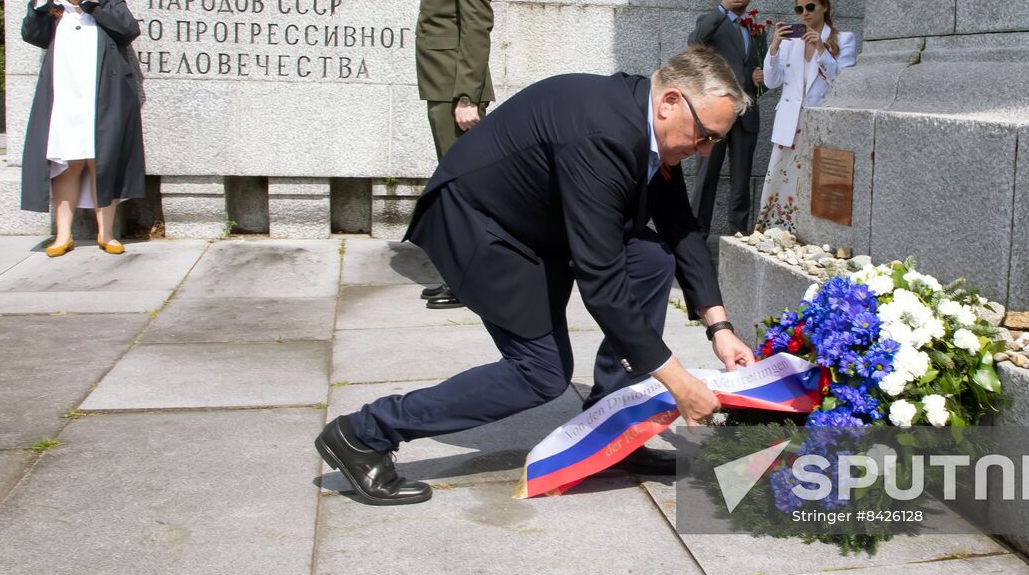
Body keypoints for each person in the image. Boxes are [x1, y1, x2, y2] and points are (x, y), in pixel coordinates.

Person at [315, 46, 757, 506]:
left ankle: (614, 427)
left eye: (713, 142)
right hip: (483, 223)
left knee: (651, 260)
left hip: (537, 220)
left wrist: (718, 326)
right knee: (540, 373)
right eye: (705, 136)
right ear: (670, 101)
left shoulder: (647, 126)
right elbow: (602, 284)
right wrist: (680, 383)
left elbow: (681, 226)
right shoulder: (603, 135)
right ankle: (364, 433)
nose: (704, 151)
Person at [20, 0, 146, 256]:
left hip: (104, 96)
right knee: (68, 162)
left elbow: (127, 30)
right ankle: (63, 235)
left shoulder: (106, 1)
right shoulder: (50, 12)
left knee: (103, 160)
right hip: (65, 97)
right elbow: (32, 35)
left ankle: (107, 233)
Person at [415, 0, 499, 310]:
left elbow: (477, 25)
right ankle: (462, 274)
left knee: (462, 187)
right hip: (442, 83)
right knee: (455, 183)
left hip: (454, 88)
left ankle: (475, 280)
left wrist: (468, 95)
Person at [755, 0, 856, 234]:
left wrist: (822, 50)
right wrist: (775, 48)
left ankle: (812, 231)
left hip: (820, 123)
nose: (804, 13)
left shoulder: (843, 40)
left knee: (816, 178)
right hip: (790, 123)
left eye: (810, 7)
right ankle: (778, 230)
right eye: (799, 9)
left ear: (824, 6)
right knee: (782, 179)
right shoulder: (790, 42)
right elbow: (771, 81)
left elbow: (842, 82)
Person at [687, 0, 763, 234]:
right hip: (714, 115)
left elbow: (761, 77)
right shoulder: (710, 22)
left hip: (747, 116)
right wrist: (722, 10)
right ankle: (697, 236)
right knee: (706, 176)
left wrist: (760, 80)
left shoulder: (755, 30)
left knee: (741, 180)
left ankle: (738, 236)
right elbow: (694, 42)